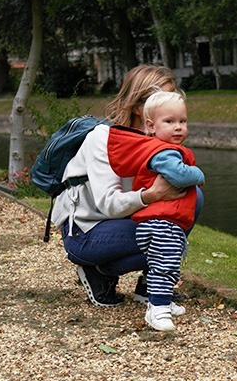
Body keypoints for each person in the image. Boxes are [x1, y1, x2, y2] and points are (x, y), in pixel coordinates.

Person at [50, 65, 202, 307]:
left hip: (124, 221)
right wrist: (151, 195)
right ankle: (98, 270)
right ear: (139, 107)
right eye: (162, 97)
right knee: (167, 233)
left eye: (173, 96)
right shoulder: (104, 138)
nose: (171, 104)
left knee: (190, 202)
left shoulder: (159, 135)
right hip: (86, 231)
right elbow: (109, 204)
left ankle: (150, 285)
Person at [107, 91, 203, 331]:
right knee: (165, 265)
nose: (178, 127)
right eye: (169, 122)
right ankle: (157, 310)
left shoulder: (163, 148)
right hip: (160, 222)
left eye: (183, 121)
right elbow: (180, 175)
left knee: (164, 263)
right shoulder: (162, 152)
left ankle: (162, 301)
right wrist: (199, 175)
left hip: (164, 222)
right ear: (150, 126)